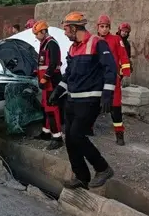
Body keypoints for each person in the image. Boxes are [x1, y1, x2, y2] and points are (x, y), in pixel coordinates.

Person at [49, 11, 116, 190]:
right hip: (72, 100)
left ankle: (102, 168)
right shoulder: (72, 48)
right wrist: (58, 90)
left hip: (89, 100)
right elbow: (69, 73)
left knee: (77, 135)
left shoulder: (97, 43)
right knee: (70, 139)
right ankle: (81, 177)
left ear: (74, 27)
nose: (64, 33)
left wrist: (108, 93)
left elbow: (111, 68)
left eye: (66, 29)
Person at [96, 15, 131, 146]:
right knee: (93, 105)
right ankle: (88, 129)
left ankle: (119, 133)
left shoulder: (116, 39)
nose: (104, 29)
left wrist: (126, 74)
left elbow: (124, 57)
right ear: (97, 27)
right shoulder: (94, 40)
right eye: (102, 26)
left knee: (115, 108)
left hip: (113, 79)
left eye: (106, 27)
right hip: (97, 80)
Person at [31, 20, 63, 150]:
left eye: (37, 33)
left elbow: (54, 63)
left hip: (52, 81)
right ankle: (46, 132)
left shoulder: (51, 43)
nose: (36, 36)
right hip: (46, 82)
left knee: (52, 108)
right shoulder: (45, 44)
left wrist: (45, 77)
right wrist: (37, 72)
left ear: (43, 31)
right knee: (46, 107)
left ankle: (57, 137)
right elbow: (44, 63)